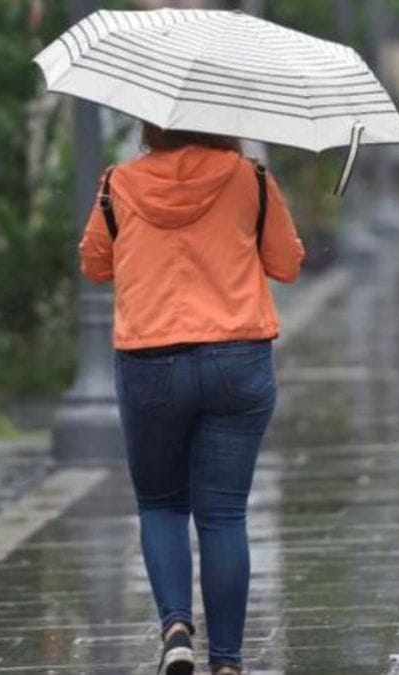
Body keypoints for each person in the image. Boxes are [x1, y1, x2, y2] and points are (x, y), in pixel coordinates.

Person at [79, 123, 305, 675]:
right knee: (223, 514)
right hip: (238, 360)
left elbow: (95, 265)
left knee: (161, 505)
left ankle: (176, 630)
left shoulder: (118, 184)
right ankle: (227, 663)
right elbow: (287, 264)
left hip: (149, 362)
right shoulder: (250, 180)